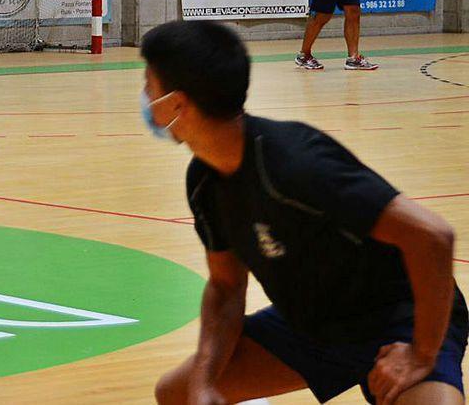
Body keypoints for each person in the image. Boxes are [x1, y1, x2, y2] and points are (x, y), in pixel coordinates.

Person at [144, 20, 466, 405]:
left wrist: (421, 351)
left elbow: (433, 236)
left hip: (397, 320)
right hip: (313, 327)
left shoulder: (296, 163)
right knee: (177, 394)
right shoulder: (204, 182)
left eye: (149, 84)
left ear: (178, 103)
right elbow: (226, 287)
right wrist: (204, 380)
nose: (144, 95)